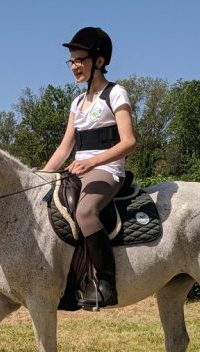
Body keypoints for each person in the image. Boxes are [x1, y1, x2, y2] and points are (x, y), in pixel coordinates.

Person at [42, 27, 136, 308]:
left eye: (79, 60)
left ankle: (107, 284)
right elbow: (64, 148)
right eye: (71, 61)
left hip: (107, 171)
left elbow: (129, 142)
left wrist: (92, 162)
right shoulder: (78, 102)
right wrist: (42, 175)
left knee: (84, 211)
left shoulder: (116, 94)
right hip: (77, 170)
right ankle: (69, 283)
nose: (73, 67)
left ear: (99, 60)